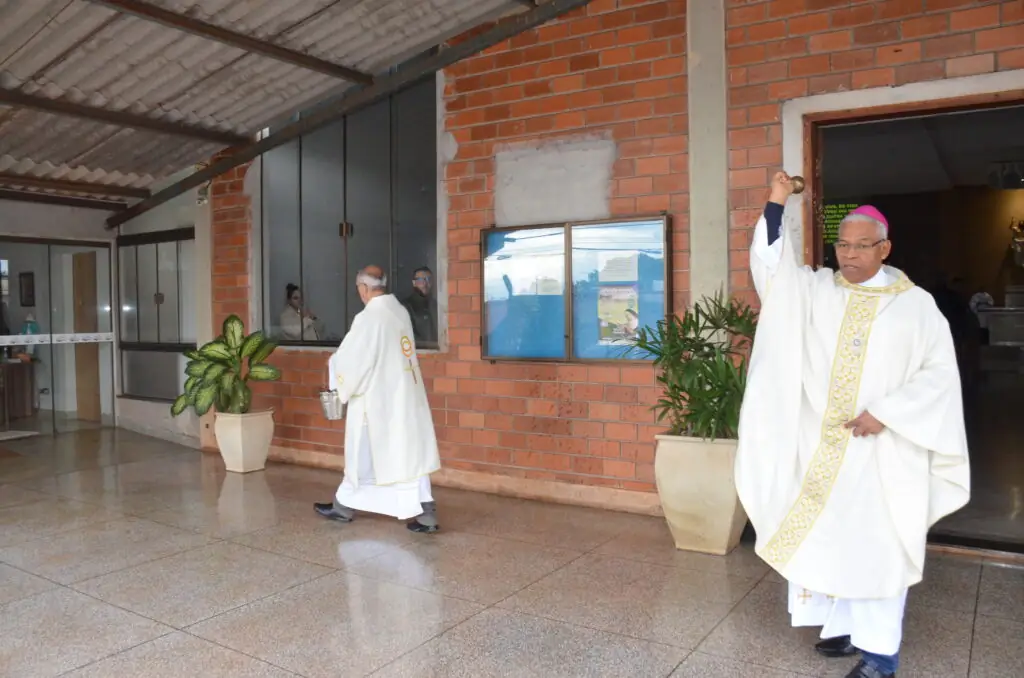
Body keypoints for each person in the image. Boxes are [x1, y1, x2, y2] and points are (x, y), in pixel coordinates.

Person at [735, 173, 971, 678]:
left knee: (877, 546)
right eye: (841, 245)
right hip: (822, 449)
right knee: (829, 535)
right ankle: (842, 629)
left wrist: (887, 412)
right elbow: (773, 272)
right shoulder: (818, 291)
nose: (848, 255)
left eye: (861, 246)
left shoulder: (916, 307)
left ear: (884, 248)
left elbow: (939, 377)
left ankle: (881, 656)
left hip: (886, 453)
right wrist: (778, 201)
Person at [314, 265, 442, 533]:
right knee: (409, 456)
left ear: (363, 288)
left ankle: (343, 507)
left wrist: (334, 366)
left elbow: (354, 360)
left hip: (378, 403)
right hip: (404, 398)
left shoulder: (370, 318)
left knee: (364, 453)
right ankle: (425, 512)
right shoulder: (398, 310)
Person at [402, 266, 437, 345]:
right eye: (420, 280)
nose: (425, 283)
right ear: (414, 283)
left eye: (428, 279)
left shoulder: (436, 305)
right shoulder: (407, 305)